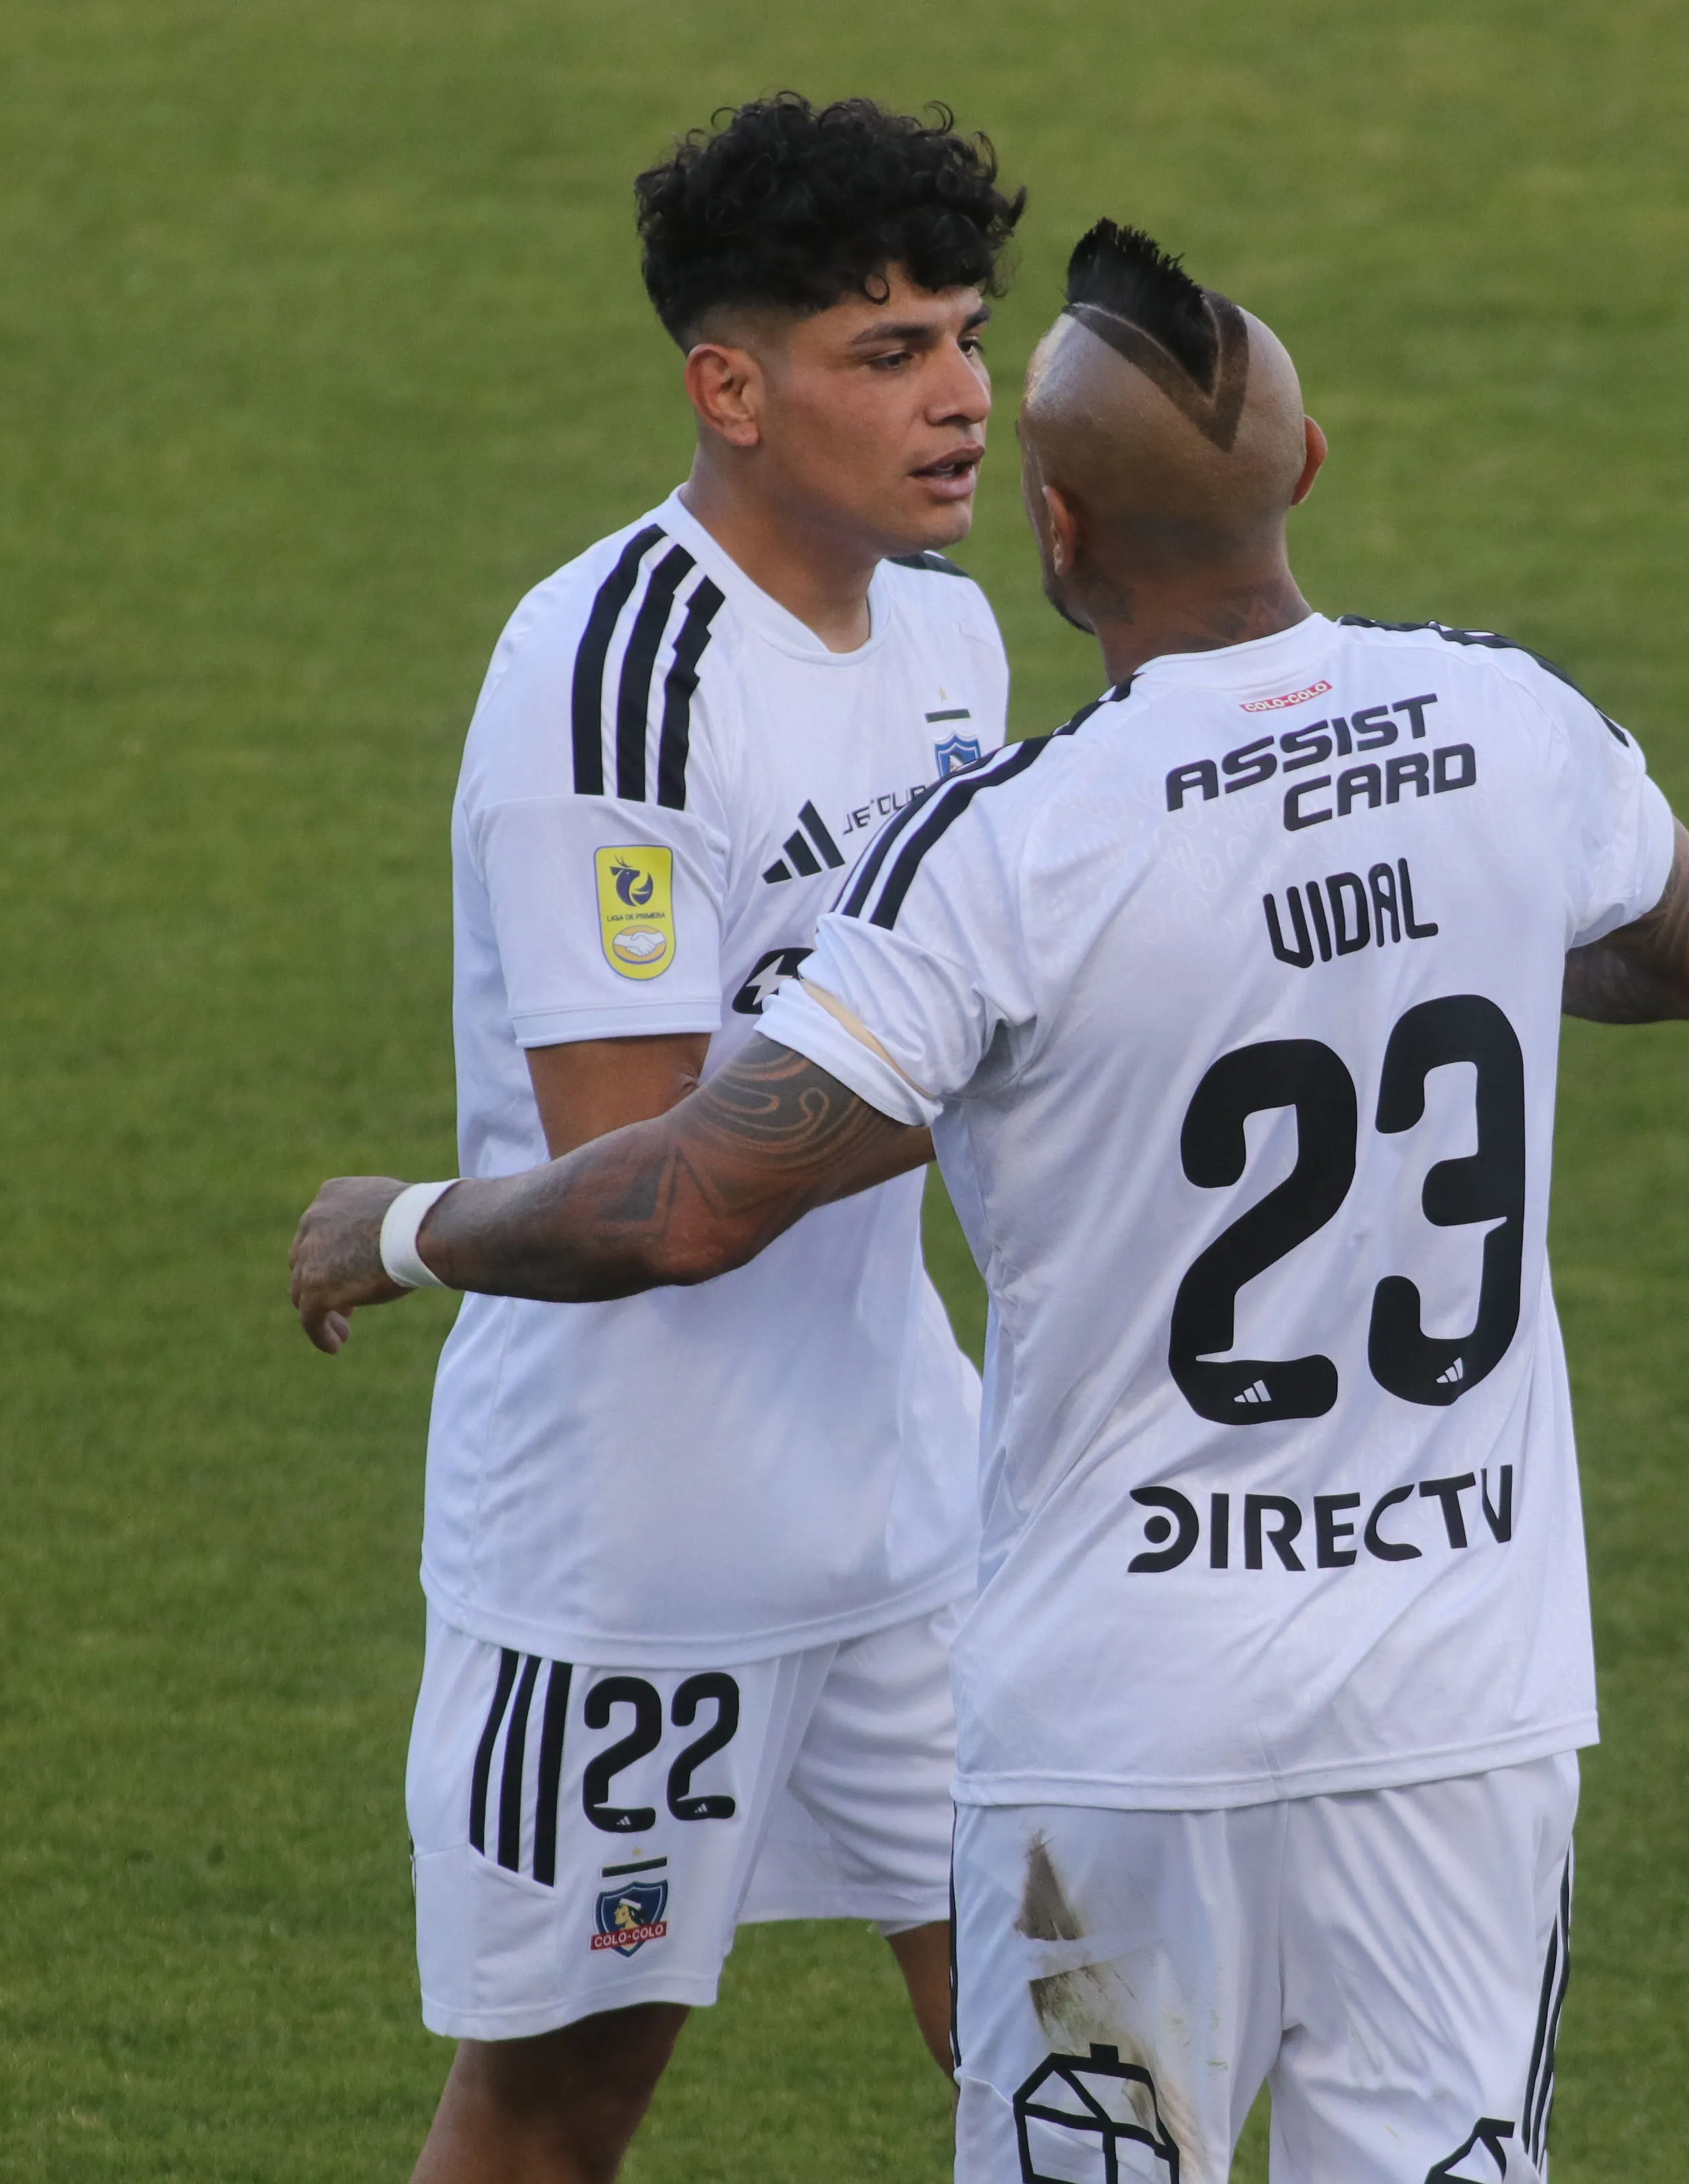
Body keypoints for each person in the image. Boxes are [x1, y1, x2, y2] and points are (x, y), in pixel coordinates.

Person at [295, 221, 1689, 2181]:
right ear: (1310, 471)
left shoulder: (1015, 846)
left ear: (1056, 532)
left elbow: (689, 1200)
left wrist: (402, 1228)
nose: (957, 401)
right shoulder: (1509, 722)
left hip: (1123, 1724)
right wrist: (1418, 942)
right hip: (1463, 1708)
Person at [304, 95, 1025, 2184]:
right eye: (888, 351)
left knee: (1065, 2051)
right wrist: (992, 1054)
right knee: (557, 2105)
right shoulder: (610, 677)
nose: (964, 398)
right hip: (637, 1552)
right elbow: (648, 1174)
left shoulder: (949, 629)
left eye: (966, 337)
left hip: (917, 1497)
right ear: (730, 388)